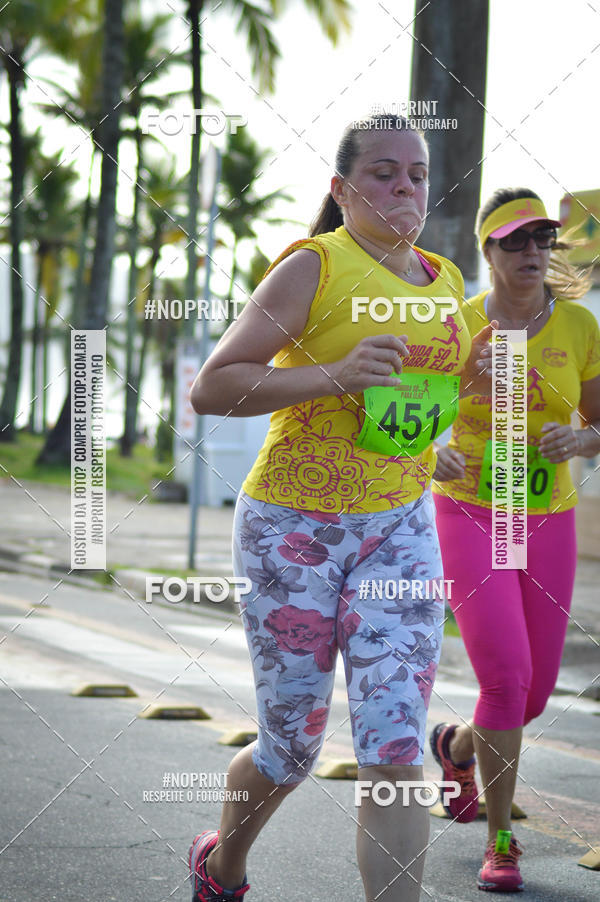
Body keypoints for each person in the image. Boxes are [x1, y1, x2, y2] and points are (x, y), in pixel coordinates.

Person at [188, 113, 496, 902]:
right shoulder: (313, 267)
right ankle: (222, 866)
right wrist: (335, 374)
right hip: (293, 528)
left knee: (394, 747)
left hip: (399, 527)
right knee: (291, 747)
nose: (404, 188)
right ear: (342, 188)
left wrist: (459, 403)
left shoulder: (446, 281)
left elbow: (414, 401)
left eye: (417, 175)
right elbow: (214, 387)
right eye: (383, 173)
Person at [430, 188, 600, 893]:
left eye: (543, 239)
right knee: (505, 679)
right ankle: (500, 842)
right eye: (516, 240)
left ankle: (456, 747)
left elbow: (599, 420)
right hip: (472, 511)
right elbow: (408, 407)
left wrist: (582, 440)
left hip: (546, 514)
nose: (533, 251)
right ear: (489, 251)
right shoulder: (457, 322)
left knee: (530, 697)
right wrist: (429, 449)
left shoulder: (580, 326)